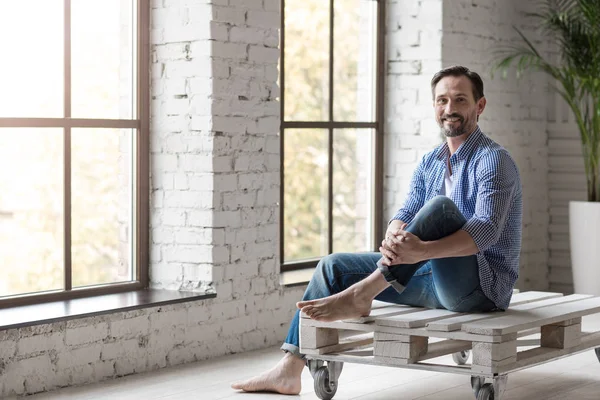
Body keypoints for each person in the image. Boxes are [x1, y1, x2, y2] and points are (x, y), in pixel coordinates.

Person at [231, 65, 522, 395]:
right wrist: (394, 236)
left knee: (441, 208)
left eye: (460, 100)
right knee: (333, 267)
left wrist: (420, 251)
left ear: (479, 106)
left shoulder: (494, 160)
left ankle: (362, 293)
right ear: (434, 105)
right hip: (427, 276)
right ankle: (289, 369)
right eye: (442, 100)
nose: (450, 109)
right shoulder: (430, 162)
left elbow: (484, 232)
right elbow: (406, 212)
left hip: (480, 290)